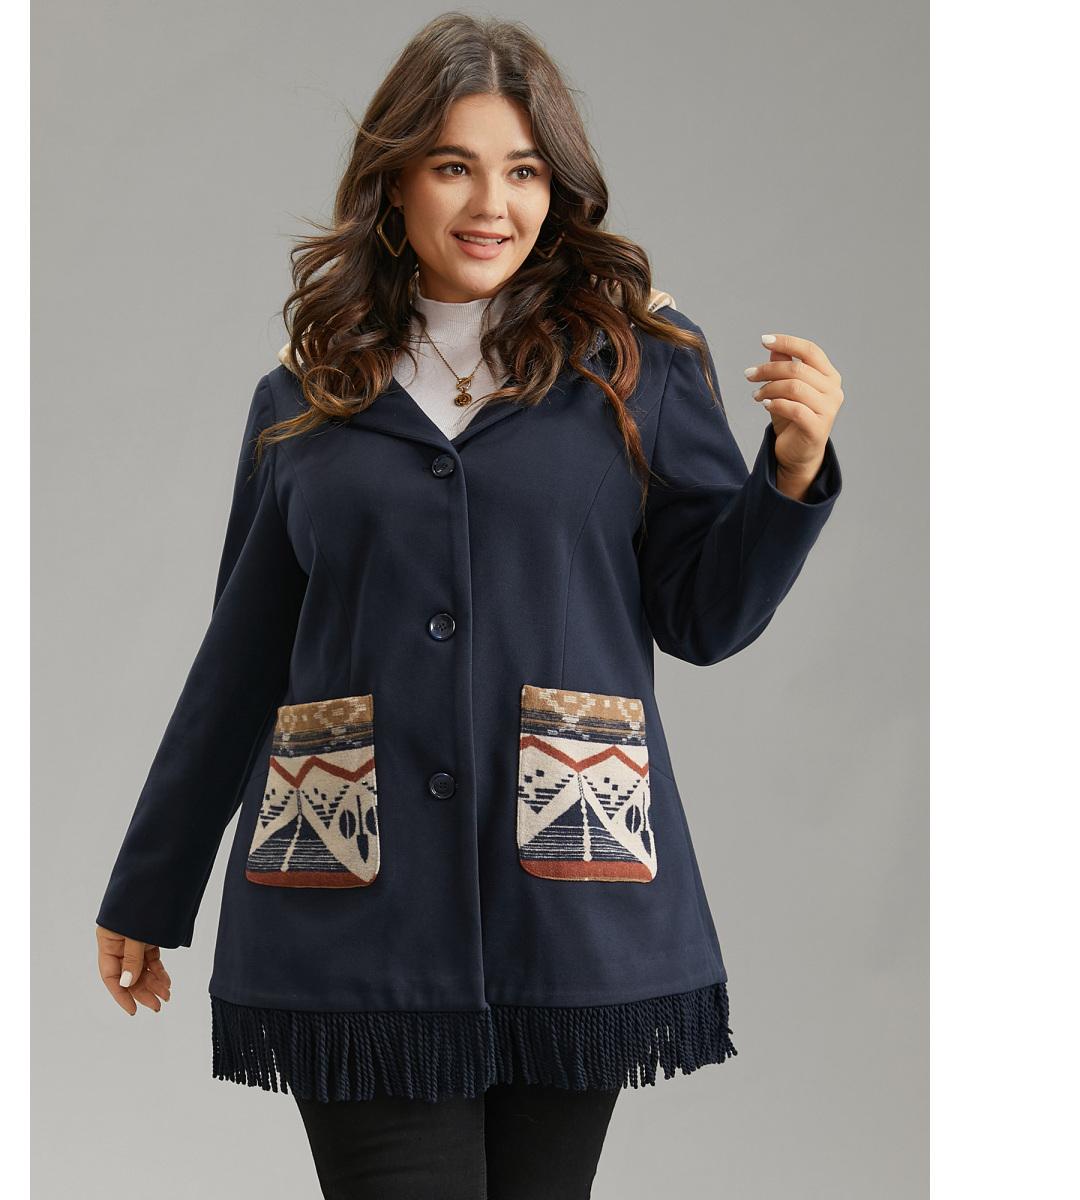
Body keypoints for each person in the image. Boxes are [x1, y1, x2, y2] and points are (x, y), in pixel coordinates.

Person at [94, 12, 845, 1199]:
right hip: (357, 906)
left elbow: (705, 615)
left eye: (525, 171)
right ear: (394, 182)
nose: (493, 203)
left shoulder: (638, 362)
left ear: (558, 189)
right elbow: (243, 658)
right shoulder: (306, 392)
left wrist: (789, 476)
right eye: (454, 166)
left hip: (569, 892)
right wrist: (152, 884)